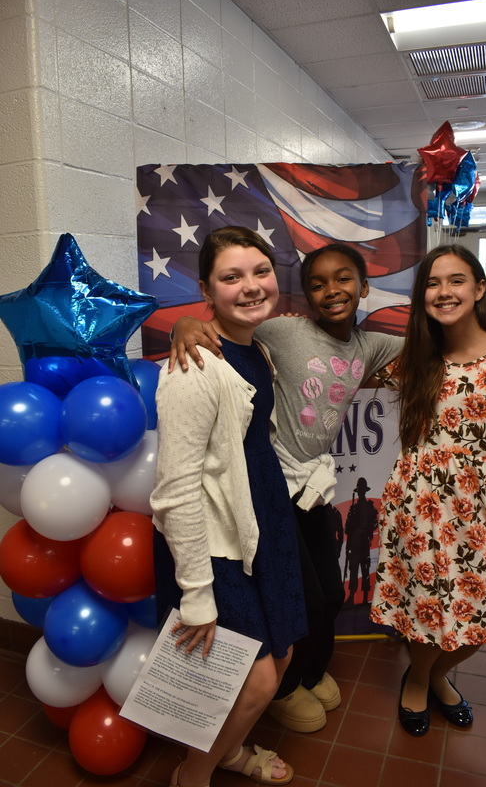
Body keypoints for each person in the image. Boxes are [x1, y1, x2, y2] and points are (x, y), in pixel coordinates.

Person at [170, 243, 403, 733]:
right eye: (317, 284)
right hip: (271, 482)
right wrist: (183, 325)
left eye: (343, 280)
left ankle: (313, 670)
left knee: (331, 594)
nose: (331, 291)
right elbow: (220, 330)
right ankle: (287, 685)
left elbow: (429, 346)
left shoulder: (370, 345)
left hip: (313, 486)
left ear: (363, 288)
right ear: (305, 296)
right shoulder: (280, 330)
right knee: (306, 597)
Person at [151, 226, 307, 787]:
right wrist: (195, 594)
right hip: (215, 539)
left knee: (282, 655)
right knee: (257, 679)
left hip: (264, 519)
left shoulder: (258, 346)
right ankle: (192, 774)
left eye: (260, 272)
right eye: (230, 277)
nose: (250, 286)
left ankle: (232, 751)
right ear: (206, 288)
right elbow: (175, 491)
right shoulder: (192, 366)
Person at [370, 243, 486, 738]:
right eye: (433, 284)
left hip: (484, 510)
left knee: (484, 611)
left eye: (457, 280)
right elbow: (338, 363)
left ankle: (435, 674)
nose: (444, 292)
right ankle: (419, 679)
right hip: (418, 509)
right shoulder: (415, 357)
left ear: (480, 288)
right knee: (427, 609)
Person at [344, 477, 378, 606]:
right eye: (360, 490)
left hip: (364, 542)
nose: (361, 493)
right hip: (354, 542)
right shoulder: (354, 508)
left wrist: (365, 530)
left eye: (362, 490)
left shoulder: (370, 508)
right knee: (354, 569)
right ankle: (352, 596)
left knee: (365, 569)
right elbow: (347, 527)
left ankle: (364, 598)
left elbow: (374, 523)